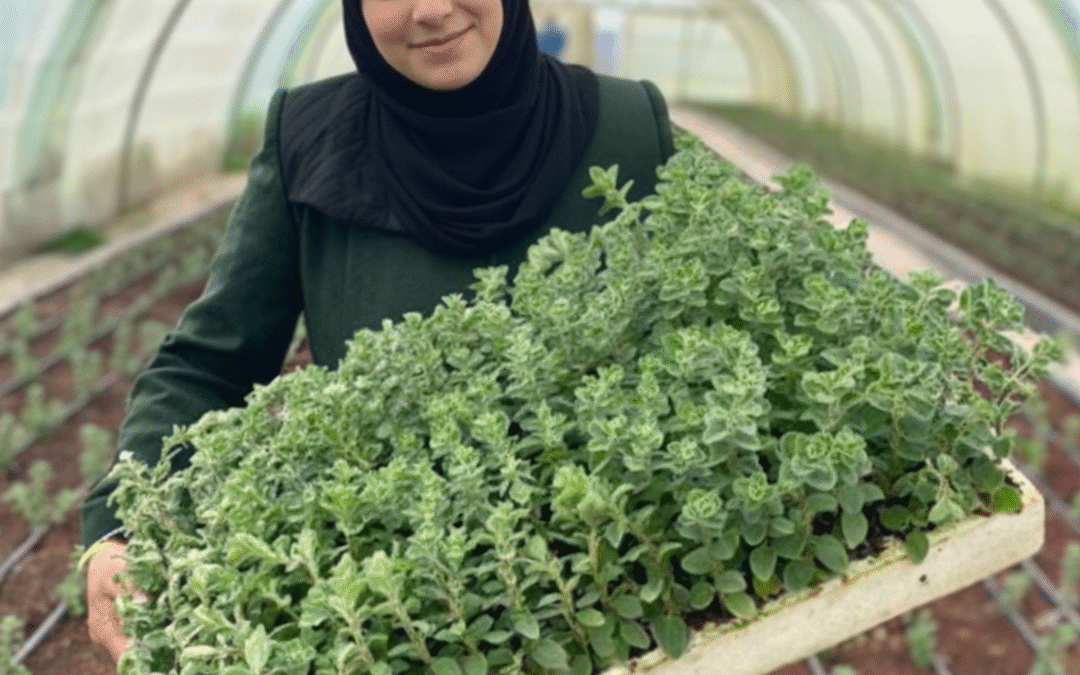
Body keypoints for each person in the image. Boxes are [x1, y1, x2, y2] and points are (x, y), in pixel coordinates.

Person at [82, 0, 675, 663]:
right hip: (400, 621)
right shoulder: (308, 137)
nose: (431, 10)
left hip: (620, 606)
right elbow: (208, 364)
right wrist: (118, 532)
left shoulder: (629, 128)